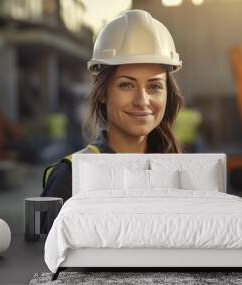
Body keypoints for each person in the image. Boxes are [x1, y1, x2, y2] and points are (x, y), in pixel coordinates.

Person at [40, 9, 185, 232]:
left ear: (168, 94)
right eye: (126, 85)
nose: (142, 100)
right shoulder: (70, 177)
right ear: (102, 92)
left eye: (154, 86)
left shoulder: (180, 172)